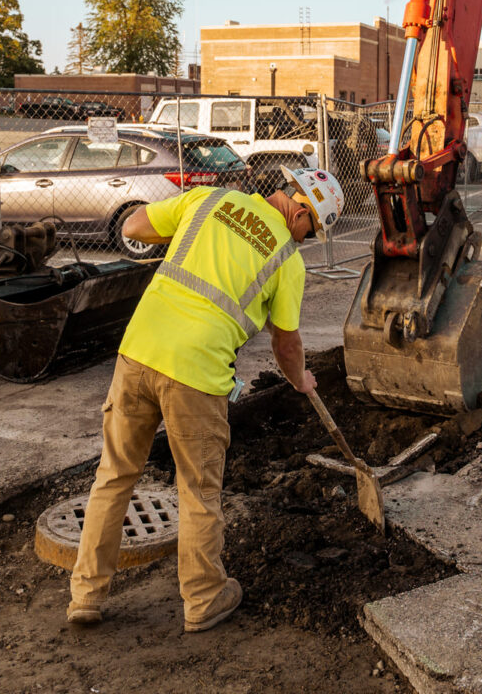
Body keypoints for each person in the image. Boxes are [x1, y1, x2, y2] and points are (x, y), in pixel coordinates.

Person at [67, 166, 345, 631]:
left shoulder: (210, 200)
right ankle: (203, 598)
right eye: (311, 230)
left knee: (113, 476)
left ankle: (86, 596)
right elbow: (287, 343)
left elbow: (134, 225)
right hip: (196, 376)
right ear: (300, 212)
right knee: (198, 491)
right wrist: (300, 380)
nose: (307, 239)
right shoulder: (287, 262)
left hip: (138, 352)